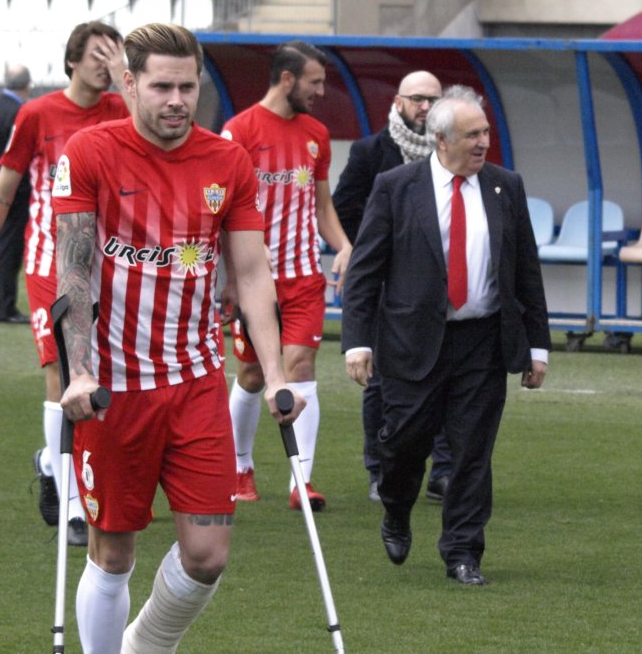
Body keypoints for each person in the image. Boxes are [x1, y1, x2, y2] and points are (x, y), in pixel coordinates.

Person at [54, 22, 303, 653]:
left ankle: (148, 644)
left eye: (187, 87)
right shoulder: (89, 153)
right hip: (114, 387)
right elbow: (74, 273)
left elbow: (251, 273)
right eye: (161, 86)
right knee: (113, 552)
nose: (176, 100)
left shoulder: (227, 161)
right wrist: (78, 370)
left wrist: (274, 373)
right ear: (130, 84)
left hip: (195, 382)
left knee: (208, 554)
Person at [341, 86, 550, 586]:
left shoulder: (506, 186)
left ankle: (462, 552)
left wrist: (537, 346)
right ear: (440, 140)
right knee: (403, 444)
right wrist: (356, 341)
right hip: (411, 344)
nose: (483, 143)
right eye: (472, 134)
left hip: (482, 343)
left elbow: (526, 271)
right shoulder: (396, 186)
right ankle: (396, 508)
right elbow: (366, 272)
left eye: (485, 132)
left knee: (472, 452)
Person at [0, 21, 132, 546]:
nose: (106, 64)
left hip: (106, 263)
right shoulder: (38, 114)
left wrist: (127, 71)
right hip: (48, 265)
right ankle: (76, 501)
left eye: (114, 56)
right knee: (62, 374)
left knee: (103, 376)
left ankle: (49, 460)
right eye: (98, 55)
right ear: (73, 60)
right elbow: (3, 192)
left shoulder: (122, 110)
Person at [219, 40, 352, 511]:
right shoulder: (238, 132)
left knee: (300, 367)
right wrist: (231, 275)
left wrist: (345, 246)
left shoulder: (316, 134)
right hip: (256, 279)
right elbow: (223, 213)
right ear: (288, 79)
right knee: (253, 375)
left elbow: (322, 206)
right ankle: (240, 465)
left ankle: (302, 480)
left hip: (303, 278)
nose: (321, 91)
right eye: (315, 82)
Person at [332, 70, 454, 503]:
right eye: (418, 99)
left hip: (441, 281)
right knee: (381, 379)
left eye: (433, 100)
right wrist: (361, 248)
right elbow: (343, 206)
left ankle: (443, 471)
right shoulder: (371, 151)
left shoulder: (451, 149)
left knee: (445, 373)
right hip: (387, 280)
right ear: (399, 101)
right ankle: (380, 469)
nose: (426, 107)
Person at [0, 63, 33, 324]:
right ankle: (4, 307)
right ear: (27, 85)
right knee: (8, 250)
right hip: (15, 191)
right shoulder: (18, 113)